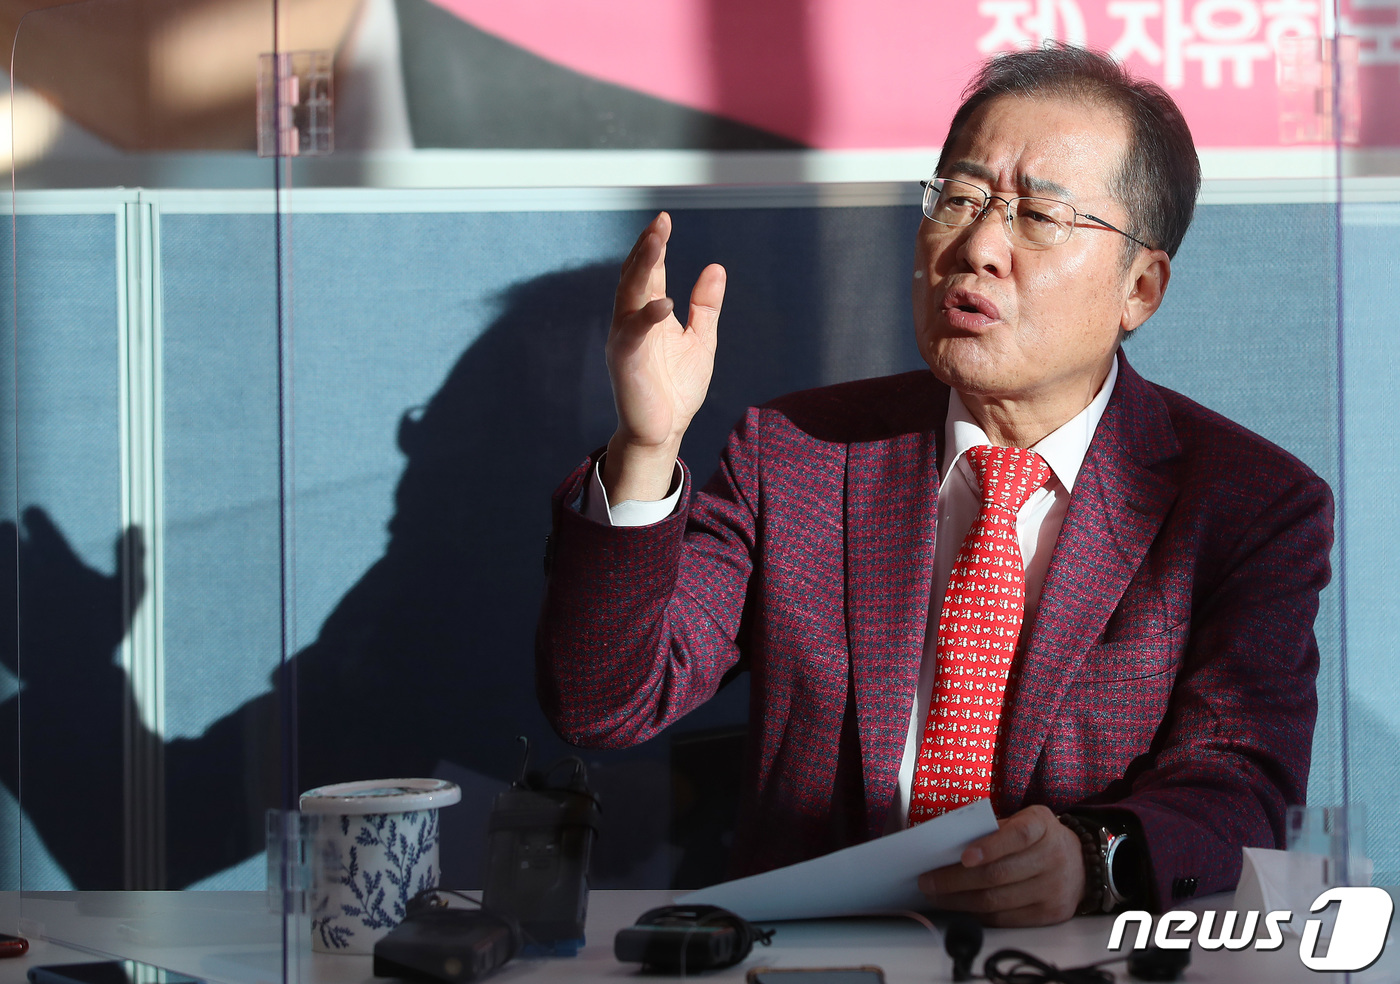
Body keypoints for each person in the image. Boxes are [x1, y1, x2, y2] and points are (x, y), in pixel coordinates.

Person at [535, 45, 1333, 927]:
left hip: (1075, 955)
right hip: (825, 957)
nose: (978, 247)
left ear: (1139, 288)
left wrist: (1092, 857)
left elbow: (1242, 788)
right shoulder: (798, 454)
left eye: (1040, 216)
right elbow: (605, 703)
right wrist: (647, 446)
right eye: (958, 199)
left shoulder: (1246, 506)